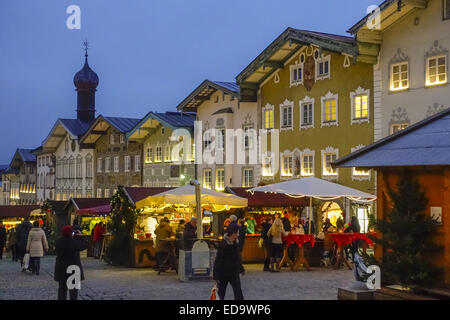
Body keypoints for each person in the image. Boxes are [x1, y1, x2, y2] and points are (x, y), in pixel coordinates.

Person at [54, 226, 87, 300]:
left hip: (62, 269)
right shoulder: (74, 242)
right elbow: (84, 245)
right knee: (73, 292)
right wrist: (81, 236)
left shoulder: (59, 241)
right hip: (74, 269)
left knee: (62, 289)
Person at [213, 224, 244, 300]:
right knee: (221, 293)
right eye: (237, 232)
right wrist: (216, 275)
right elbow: (218, 260)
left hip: (234, 272)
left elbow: (237, 258)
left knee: (238, 292)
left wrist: (241, 268)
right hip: (223, 273)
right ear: (233, 233)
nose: (238, 234)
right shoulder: (223, 244)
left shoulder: (235, 243)